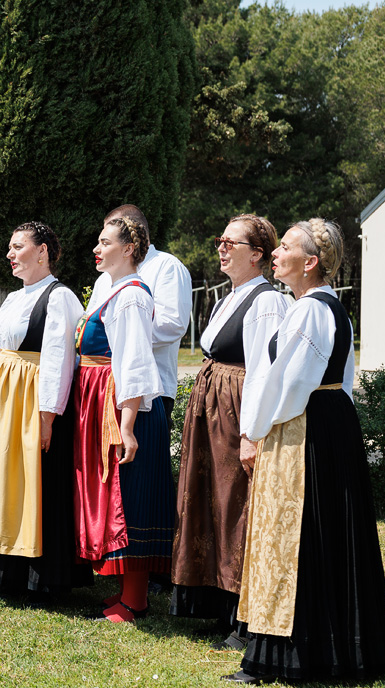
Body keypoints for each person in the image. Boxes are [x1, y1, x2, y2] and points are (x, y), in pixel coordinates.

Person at [230, 218, 385, 684]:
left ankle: (289, 653)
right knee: (320, 535)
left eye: (284, 247)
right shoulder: (327, 308)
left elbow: (287, 383)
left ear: (310, 263)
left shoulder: (309, 310)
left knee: (296, 536)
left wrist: (255, 430)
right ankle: (330, 646)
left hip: (304, 426)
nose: (275, 253)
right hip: (329, 424)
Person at [170, 215, 289, 647]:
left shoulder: (266, 302)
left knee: (238, 505)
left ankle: (245, 616)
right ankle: (220, 604)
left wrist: (251, 434)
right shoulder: (231, 297)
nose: (220, 248)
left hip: (237, 413)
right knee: (213, 504)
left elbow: (263, 370)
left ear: (257, 254)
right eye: (219, 240)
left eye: (230, 242)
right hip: (214, 409)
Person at [0, 223, 89, 597]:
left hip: (32, 400)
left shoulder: (59, 297)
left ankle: (36, 573)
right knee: (0, 478)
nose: (10, 255)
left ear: (43, 251)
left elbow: (60, 360)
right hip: (1, 398)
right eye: (10, 248)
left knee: (31, 482)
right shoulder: (15, 298)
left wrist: (47, 415)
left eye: (18, 247)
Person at [73, 217, 175, 623]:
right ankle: (125, 592)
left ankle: (135, 598)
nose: (97, 249)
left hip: (124, 409)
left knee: (129, 497)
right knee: (118, 494)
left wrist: (128, 426)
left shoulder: (131, 297)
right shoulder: (113, 292)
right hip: (106, 403)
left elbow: (133, 363)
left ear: (129, 249)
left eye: (105, 242)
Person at [85, 205, 191, 417]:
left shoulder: (167, 266)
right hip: (106, 384)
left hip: (150, 389)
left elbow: (173, 323)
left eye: (108, 240)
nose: (100, 248)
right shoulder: (104, 278)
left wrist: (119, 339)